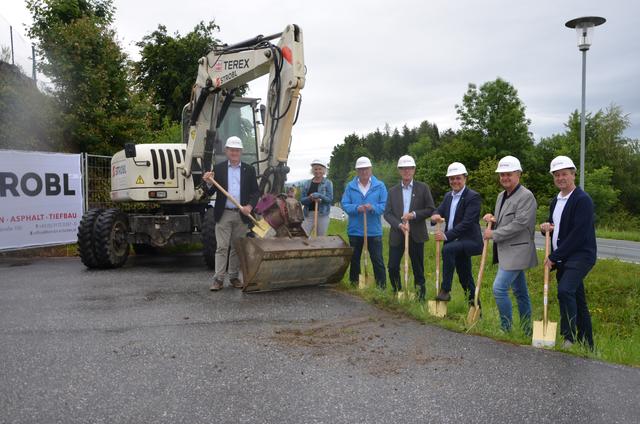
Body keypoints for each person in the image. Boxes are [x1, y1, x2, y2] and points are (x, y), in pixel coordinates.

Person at [540, 156, 596, 349]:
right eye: (556, 175)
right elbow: (556, 227)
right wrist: (545, 227)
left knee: (565, 291)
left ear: (573, 174)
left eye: (564, 174)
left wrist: (554, 256)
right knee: (578, 300)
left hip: (580, 256)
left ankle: (569, 338)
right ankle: (588, 345)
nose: (560, 178)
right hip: (564, 257)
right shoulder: (555, 201)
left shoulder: (582, 200)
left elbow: (578, 235)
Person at [483, 155, 537, 334]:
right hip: (506, 251)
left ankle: (506, 328)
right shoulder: (501, 196)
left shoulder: (526, 196)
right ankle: (527, 330)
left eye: (508, 174)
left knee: (499, 288)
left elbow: (519, 224)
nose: (504, 178)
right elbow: (504, 219)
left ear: (518, 174)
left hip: (518, 251)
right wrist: (492, 219)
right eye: (502, 175)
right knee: (521, 292)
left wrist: (494, 234)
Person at [203, 136, 260, 291]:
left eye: (237, 150)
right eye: (231, 150)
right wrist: (208, 182)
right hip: (224, 213)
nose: (234, 152)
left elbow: (255, 192)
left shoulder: (249, 170)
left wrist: (249, 206)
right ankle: (218, 279)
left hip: (241, 214)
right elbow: (209, 191)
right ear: (227, 151)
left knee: (236, 248)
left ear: (240, 152)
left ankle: (234, 277)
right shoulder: (219, 168)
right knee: (221, 247)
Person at [430, 162, 483, 304]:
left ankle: (445, 290)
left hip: (470, 241)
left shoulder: (473, 197)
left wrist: (446, 236)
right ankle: (475, 308)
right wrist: (435, 216)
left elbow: (467, 223)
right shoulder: (449, 196)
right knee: (465, 277)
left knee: (448, 249)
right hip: (456, 242)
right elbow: (438, 210)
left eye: (458, 178)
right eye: (452, 178)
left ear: (465, 178)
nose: (455, 181)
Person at [383, 155, 435, 300]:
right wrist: (399, 225)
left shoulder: (423, 188)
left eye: (409, 168)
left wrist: (413, 215)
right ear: (399, 171)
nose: (406, 171)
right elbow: (387, 213)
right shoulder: (392, 191)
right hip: (397, 234)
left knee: (418, 268)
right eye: (403, 168)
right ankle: (397, 291)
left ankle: (420, 297)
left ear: (414, 170)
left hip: (416, 233)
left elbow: (430, 209)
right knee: (392, 266)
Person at [341, 156, 388, 288]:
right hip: (355, 230)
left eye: (366, 169)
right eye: (361, 169)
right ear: (357, 171)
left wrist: (373, 208)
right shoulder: (350, 187)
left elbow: (384, 206)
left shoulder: (380, 186)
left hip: (374, 230)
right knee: (355, 259)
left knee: (377, 260)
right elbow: (345, 204)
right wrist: (357, 208)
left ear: (371, 169)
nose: (364, 172)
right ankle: (354, 284)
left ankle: (381, 287)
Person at [300, 159, 334, 236]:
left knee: (320, 238)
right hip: (308, 214)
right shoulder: (307, 183)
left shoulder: (328, 183)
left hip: (322, 214)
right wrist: (310, 198)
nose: (317, 171)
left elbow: (330, 199)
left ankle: (319, 248)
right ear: (312, 170)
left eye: (320, 169)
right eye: (315, 169)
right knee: (303, 236)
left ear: (324, 170)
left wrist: (320, 197)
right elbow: (302, 200)